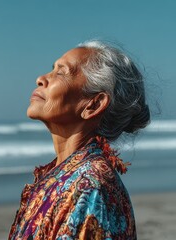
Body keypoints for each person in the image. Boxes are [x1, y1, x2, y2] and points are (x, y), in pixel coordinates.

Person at [8, 40, 150, 240]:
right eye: (52, 69)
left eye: (61, 72)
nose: (41, 79)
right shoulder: (63, 174)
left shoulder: (90, 187)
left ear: (93, 104)